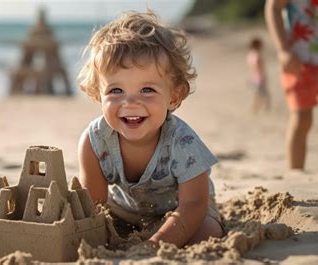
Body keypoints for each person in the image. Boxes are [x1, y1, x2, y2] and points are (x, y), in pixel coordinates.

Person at [77, 11, 223, 248]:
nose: (131, 103)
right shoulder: (95, 141)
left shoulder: (182, 142)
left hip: (182, 210)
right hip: (124, 211)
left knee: (207, 231)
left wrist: (155, 244)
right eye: (116, 91)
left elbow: (194, 204)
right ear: (97, 94)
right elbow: (95, 204)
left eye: (147, 90)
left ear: (174, 96)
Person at [265, 0, 318, 169]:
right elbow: (273, 8)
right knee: (302, 118)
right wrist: (283, 50)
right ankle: (296, 175)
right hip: (301, 62)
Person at [246, 37, 271, 113]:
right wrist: (262, 77)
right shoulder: (257, 55)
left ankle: (259, 108)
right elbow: (258, 67)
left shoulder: (250, 54)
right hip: (259, 78)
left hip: (254, 77)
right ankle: (261, 108)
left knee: (259, 94)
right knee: (263, 94)